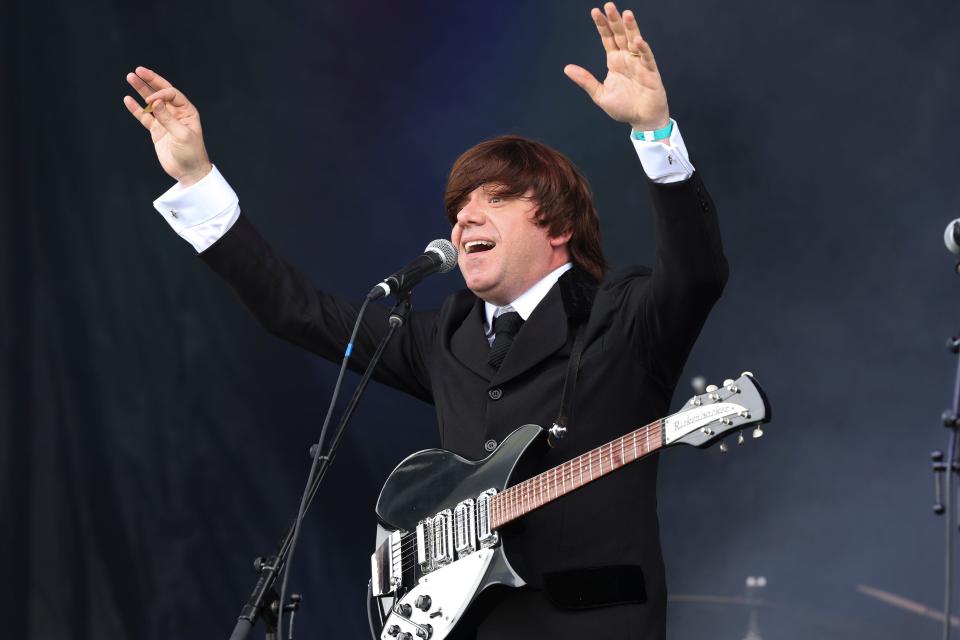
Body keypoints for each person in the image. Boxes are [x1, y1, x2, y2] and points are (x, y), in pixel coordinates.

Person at [123, 3, 727, 638]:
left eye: (495, 200)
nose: (464, 219)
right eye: (458, 207)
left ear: (560, 225)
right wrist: (197, 179)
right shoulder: (446, 336)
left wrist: (655, 133)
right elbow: (296, 311)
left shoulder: (621, 314)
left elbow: (697, 274)